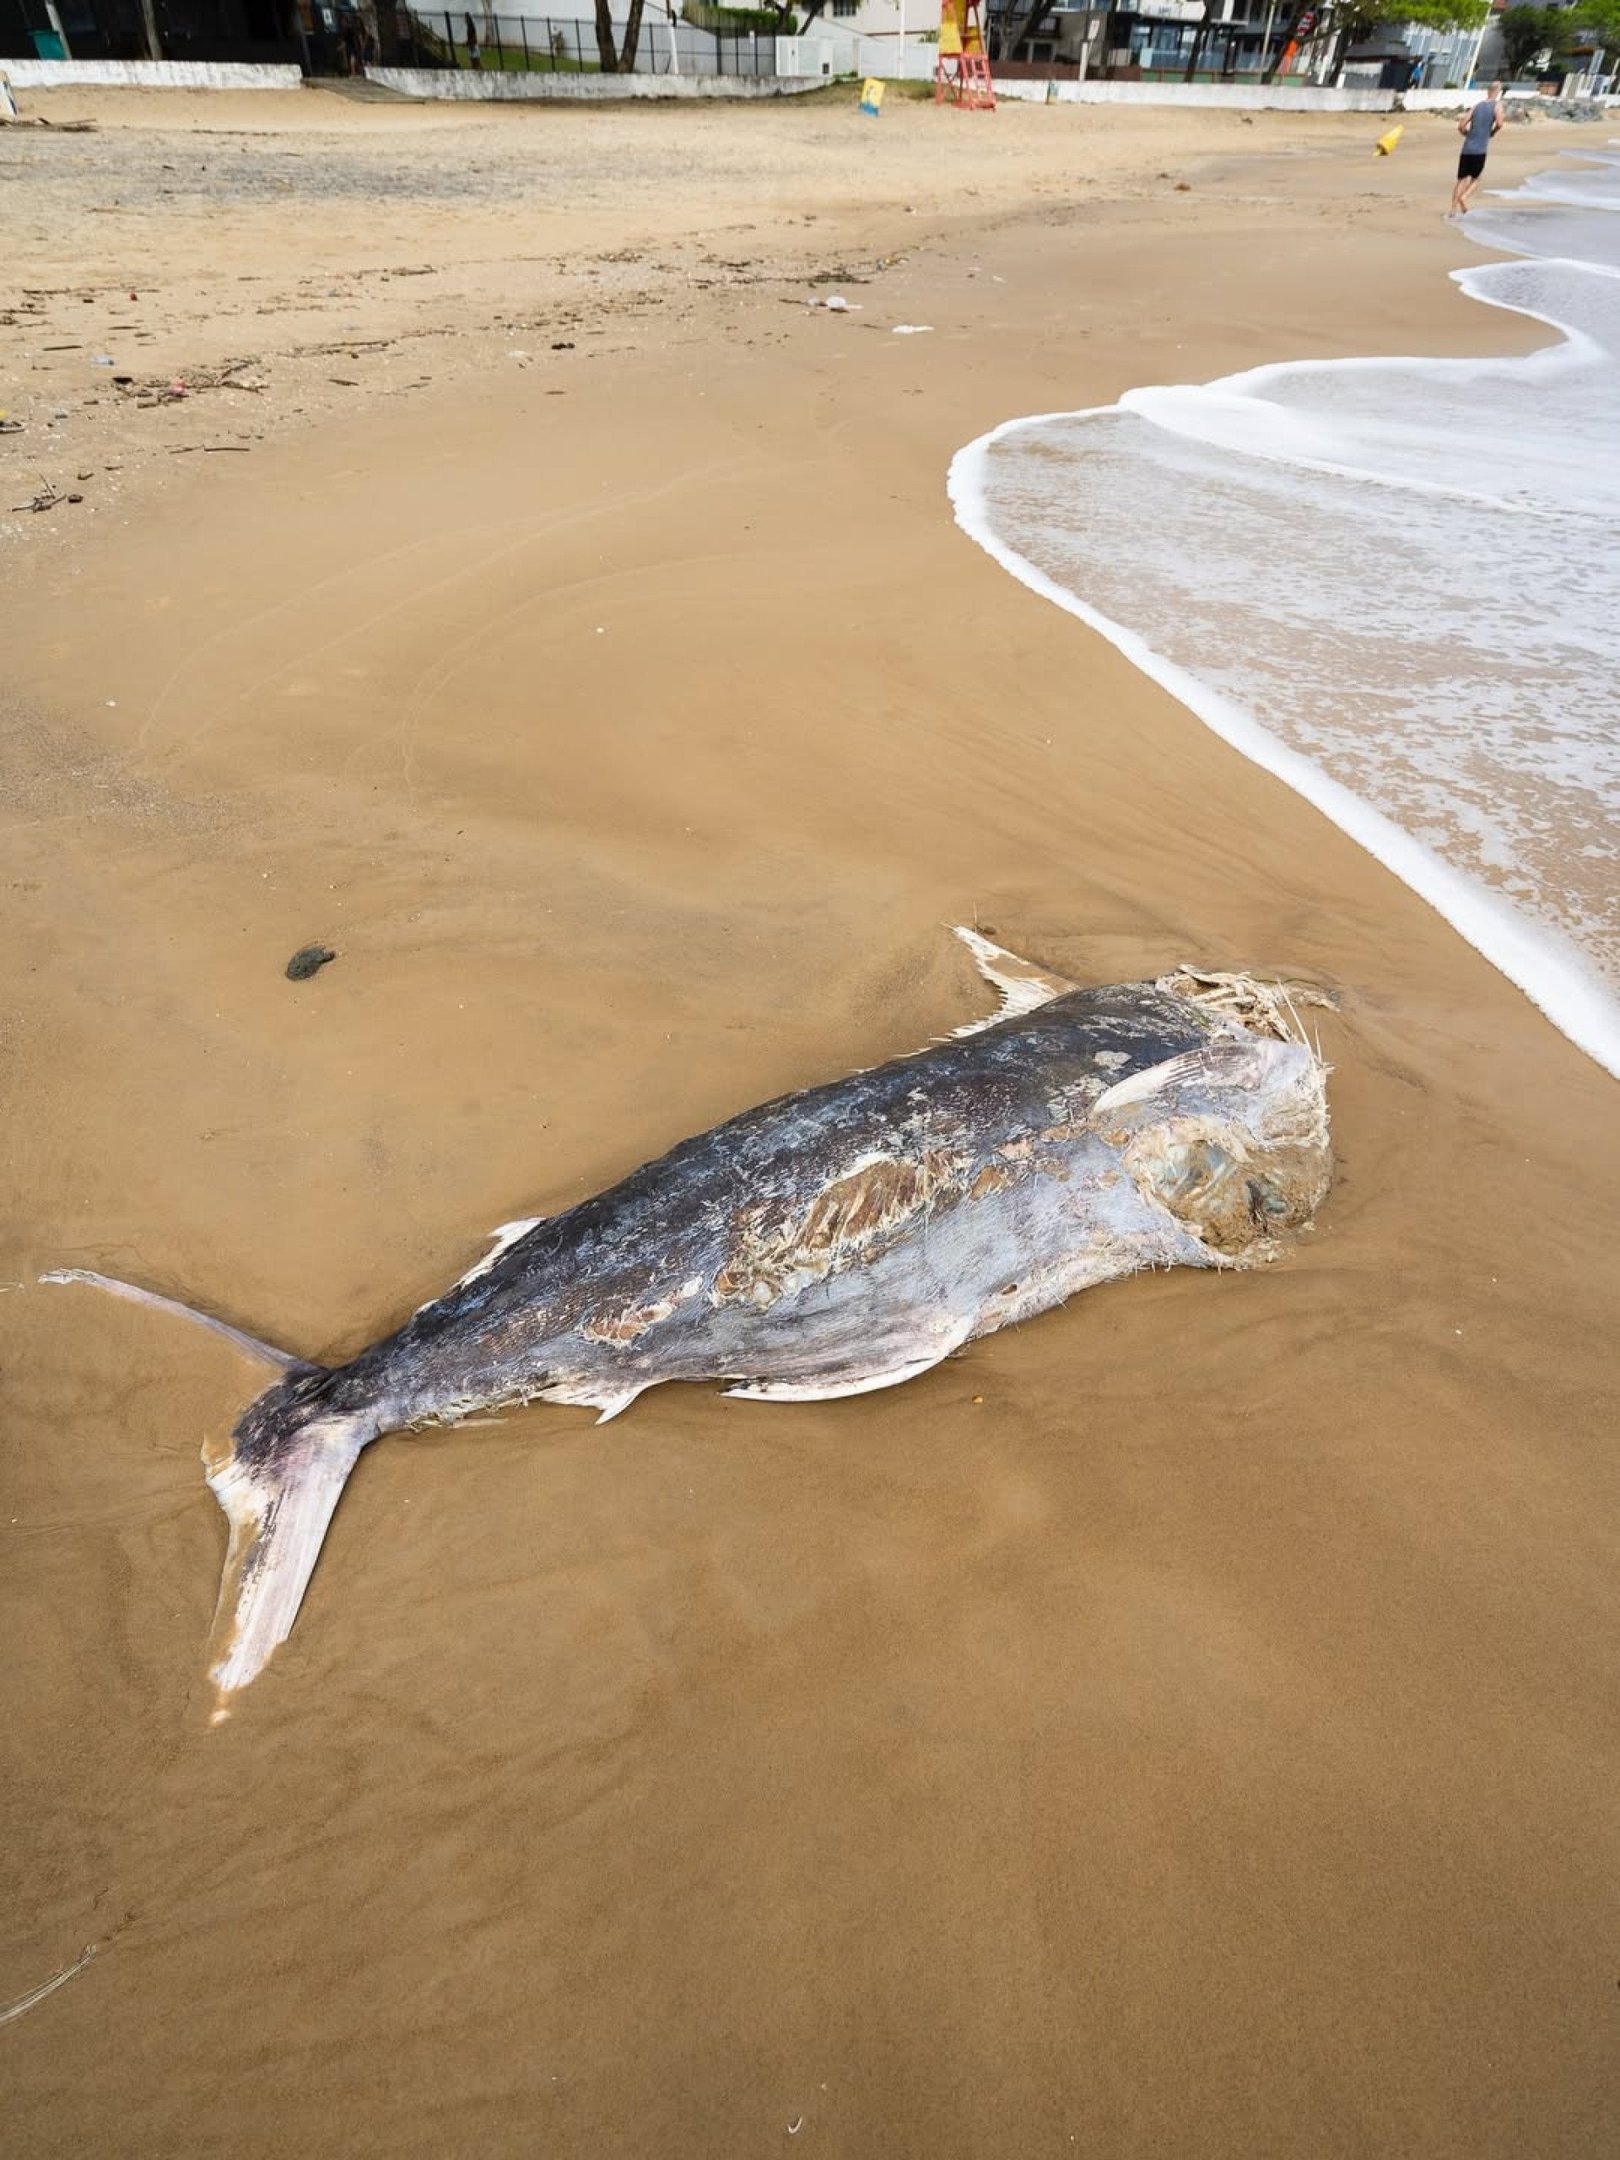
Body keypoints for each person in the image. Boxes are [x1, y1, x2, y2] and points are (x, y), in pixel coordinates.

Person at [1451, 82, 1504, 217]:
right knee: (1476, 178)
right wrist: (1492, 132)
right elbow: (1500, 123)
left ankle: (1452, 211)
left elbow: (1461, 125)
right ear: (1498, 92)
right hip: (1480, 149)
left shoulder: (1476, 106)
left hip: (1467, 148)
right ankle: (1464, 197)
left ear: (1488, 91)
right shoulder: (1497, 105)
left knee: (1461, 179)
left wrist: (1467, 135)